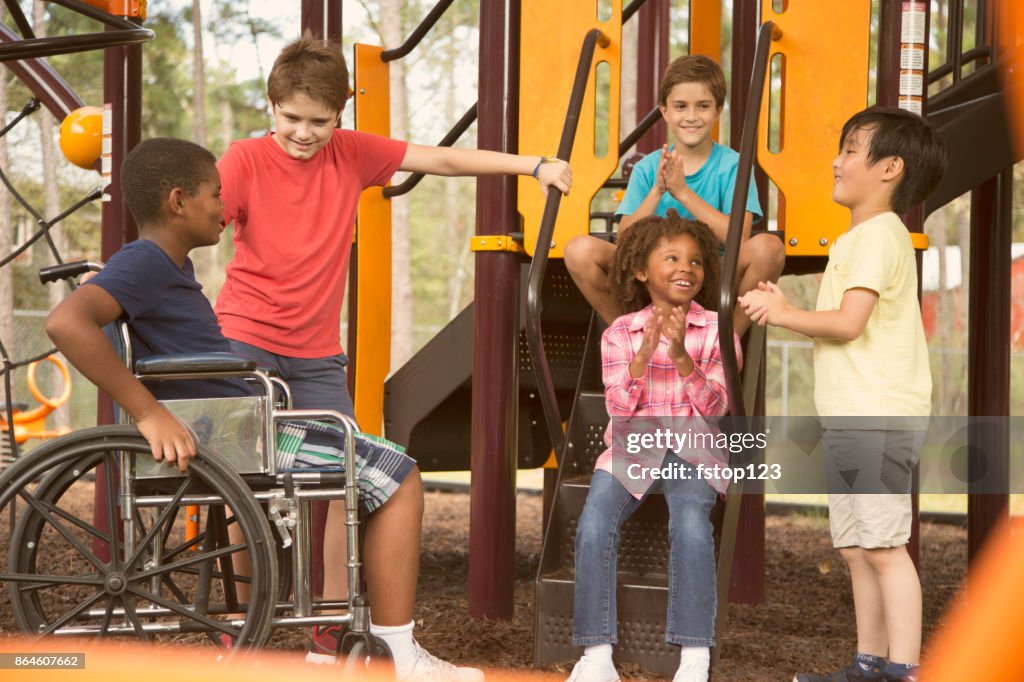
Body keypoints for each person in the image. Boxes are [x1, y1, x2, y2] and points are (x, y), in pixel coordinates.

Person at [45, 138, 483, 682]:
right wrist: (148, 412)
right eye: (215, 195)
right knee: (400, 476)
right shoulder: (146, 262)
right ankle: (398, 657)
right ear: (179, 201)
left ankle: (351, 635)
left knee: (379, 461)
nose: (223, 208)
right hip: (234, 434)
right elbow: (66, 322)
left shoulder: (158, 266)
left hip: (243, 423)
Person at [213, 33, 571, 662]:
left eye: (318, 122)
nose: (304, 132)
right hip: (246, 341)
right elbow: (196, 221)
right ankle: (238, 623)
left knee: (342, 485)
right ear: (271, 108)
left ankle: (328, 627)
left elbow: (444, 160)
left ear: (339, 117)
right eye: (292, 118)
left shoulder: (349, 155)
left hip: (317, 354)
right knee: (250, 482)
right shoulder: (243, 160)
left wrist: (532, 165)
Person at [738, 106, 949, 682]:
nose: (837, 160)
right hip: (852, 417)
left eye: (852, 149)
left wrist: (784, 312)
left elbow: (850, 322)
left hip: (877, 415)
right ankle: (868, 664)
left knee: (884, 547)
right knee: (857, 549)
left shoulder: (880, 236)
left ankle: (904, 668)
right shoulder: (862, 238)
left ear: (890, 168)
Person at [566, 212, 735, 682]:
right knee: (594, 523)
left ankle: (694, 654)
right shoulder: (620, 333)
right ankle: (596, 655)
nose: (687, 268)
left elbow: (717, 410)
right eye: (673, 258)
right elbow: (619, 408)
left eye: (697, 261)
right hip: (632, 446)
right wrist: (645, 354)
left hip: (693, 448)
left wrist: (681, 356)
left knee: (691, 525)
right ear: (642, 271)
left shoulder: (719, 330)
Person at [563, 54, 784, 334]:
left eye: (702, 106)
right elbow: (625, 240)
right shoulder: (648, 169)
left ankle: (726, 340)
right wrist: (658, 190)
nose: (691, 116)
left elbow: (738, 236)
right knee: (578, 250)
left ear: (718, 110)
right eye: (681, 106)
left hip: (713, 274)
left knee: (769, 248)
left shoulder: (734, 166)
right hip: (655, 277)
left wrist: (682, 192)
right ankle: (631, 332)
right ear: (665, 111)